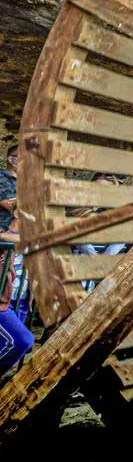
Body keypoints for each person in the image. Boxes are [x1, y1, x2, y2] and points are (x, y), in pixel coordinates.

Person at [1, 144, 34, 374]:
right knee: (20, 339)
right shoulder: (3, 179)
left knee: (19, 337)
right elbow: (9, 202)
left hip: (12, 294)